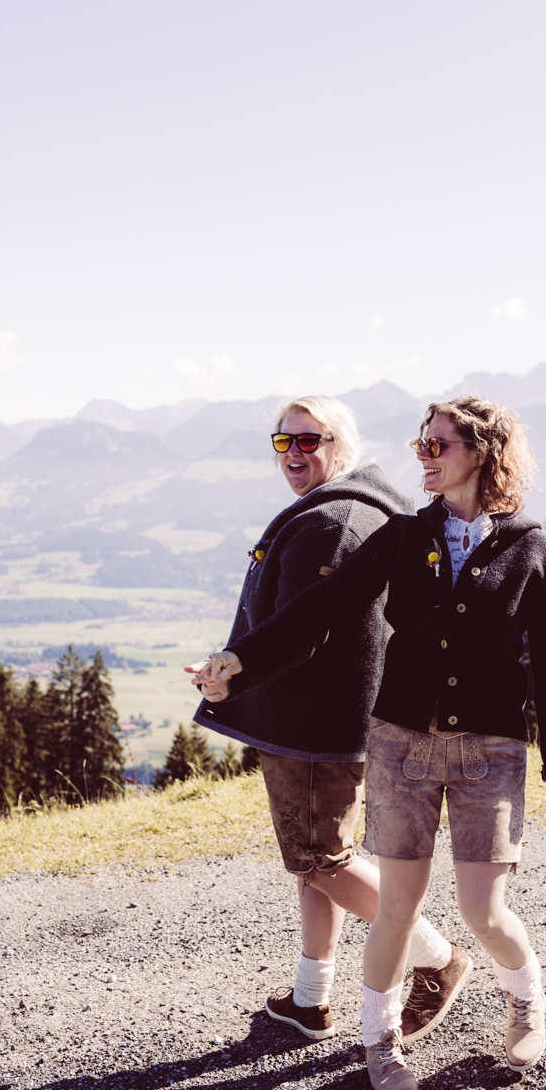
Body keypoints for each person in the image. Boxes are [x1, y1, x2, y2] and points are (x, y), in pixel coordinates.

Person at [192, 395, 546, 1090]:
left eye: (438, 445)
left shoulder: (533, 551)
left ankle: (527, 1001)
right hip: (402, 746)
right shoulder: (404, 536)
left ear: (482, 454)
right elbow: (321, 606)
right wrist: (239, 661)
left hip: (489, 751)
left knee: (484, 911)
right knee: (397, 907)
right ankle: (382, 1043)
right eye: (420, 444)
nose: (423, 457)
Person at [186, 395, 473, 1047]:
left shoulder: (333, 522)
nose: (294, 453)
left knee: (322, 860)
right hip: (326, 721)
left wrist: (233, 671)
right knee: (317, 858)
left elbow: (301, 631)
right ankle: (310, 998)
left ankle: (436, 958)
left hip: (312, 725)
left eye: (309, 440)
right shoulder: (355, 508)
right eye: (283, 442)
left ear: (339, 445)